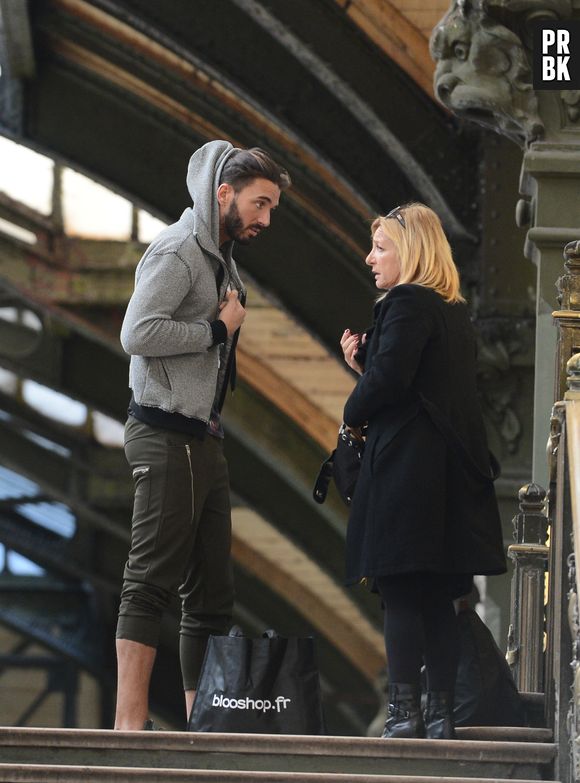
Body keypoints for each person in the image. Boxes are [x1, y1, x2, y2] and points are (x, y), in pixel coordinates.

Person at [115, 140, 291, 730]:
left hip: (202, 437)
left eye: (271, 208)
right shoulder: (179, 250)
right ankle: (128, 726)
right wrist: (215, 330)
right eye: (260, 204)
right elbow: (137, 332)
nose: (266, 219)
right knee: (150, 581)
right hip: (165, 433)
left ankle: (202, 723)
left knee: (213, 594)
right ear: (224, 193)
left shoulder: (219, 256)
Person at [340, 203, 506, 740]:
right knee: (438, 596)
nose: (370, 258)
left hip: (407, 475)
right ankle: (440, 715)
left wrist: (354, 402)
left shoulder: (406, 302)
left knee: (401, 593)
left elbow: (390, 382)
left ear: (410, 253)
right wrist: (368, 367)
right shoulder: (452, 312)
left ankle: (403, 712)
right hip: (448, 478)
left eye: (381, 248)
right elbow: (422, 383)